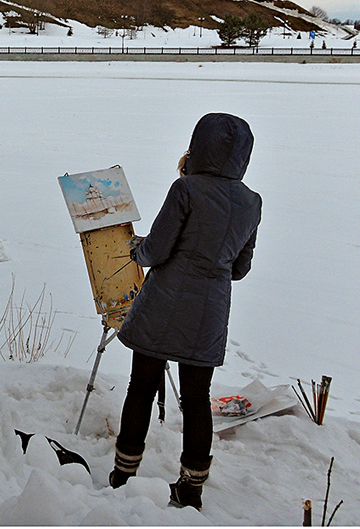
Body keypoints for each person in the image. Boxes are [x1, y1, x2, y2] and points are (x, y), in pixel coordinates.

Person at [109, 113, 262, 511]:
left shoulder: (186, 189)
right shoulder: (251, 201)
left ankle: (124, 475)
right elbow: (240, 268)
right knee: (197, 398)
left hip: (163, 304)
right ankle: (191, 489)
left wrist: (135, 251)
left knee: (141, 387)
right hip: (209, 312)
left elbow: (156, 250)